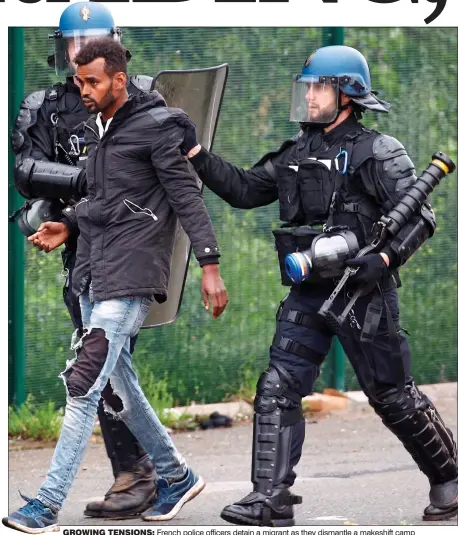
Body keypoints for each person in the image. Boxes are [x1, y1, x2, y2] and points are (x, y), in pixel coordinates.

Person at [175, 45, 458, 526]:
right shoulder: (297, 151)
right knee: (277, 386)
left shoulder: (377, 150)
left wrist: (385, 257)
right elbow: (244, 189)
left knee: (391, 394)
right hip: (309, 288)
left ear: (347, 93)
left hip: (365, 292)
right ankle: (269, 497)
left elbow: (421, 217)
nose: (308, 96)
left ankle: (450, 480)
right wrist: (195, 152)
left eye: (319, 86)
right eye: (306, 86)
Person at [4, 35, 229, 534]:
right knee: (119, 386)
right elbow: (106, 201)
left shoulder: (157, 127)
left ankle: (45, 504)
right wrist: (70, 224)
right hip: (92, 268)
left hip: (131, 275)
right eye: (79, 80)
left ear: (119, 80)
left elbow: (188, 198)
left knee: (83, 386)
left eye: (93, 81)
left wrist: (210, 265)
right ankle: (177, 475)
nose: (82, 89)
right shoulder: (103, 130)